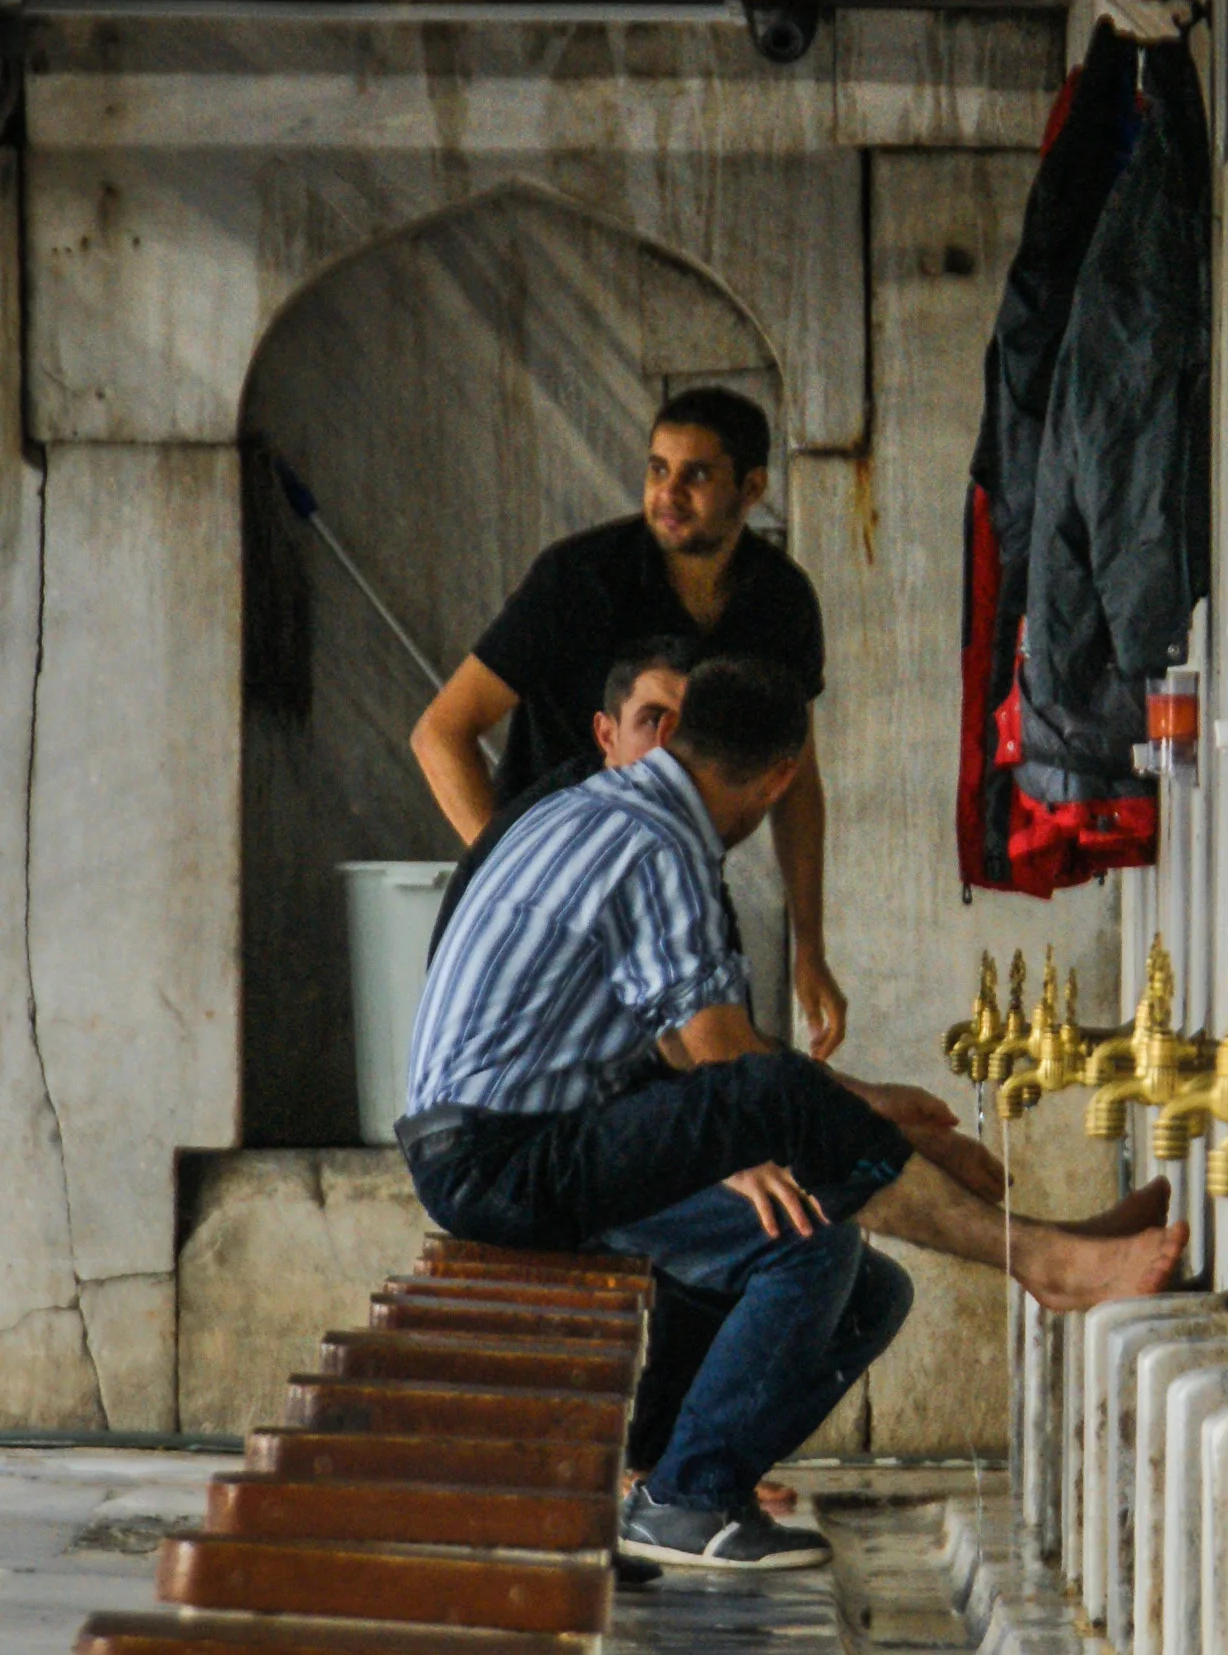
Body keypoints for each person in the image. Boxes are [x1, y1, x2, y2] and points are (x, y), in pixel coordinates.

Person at [398, 654, 1185, 1575]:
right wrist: (885, 1130)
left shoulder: (597, 807)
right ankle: (1039, 1262)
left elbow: (694, 1057)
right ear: (779, 780)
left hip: (523, 1141)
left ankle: (676, 1475)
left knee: (865, 1291)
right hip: (504, 1158)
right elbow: (726, 1063)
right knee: (807, 1241)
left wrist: (877, 1114)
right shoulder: (657, 846)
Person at [408, 384, 847, 1056]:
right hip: (548, 916)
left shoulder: (780, 601)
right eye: (657, 468)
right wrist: (522, 877)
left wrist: (810, 947)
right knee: (561, 1115)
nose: (668, 493)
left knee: (728, 1107)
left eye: (696, 474)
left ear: (752, 487)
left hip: (681, 891)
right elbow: (440, 733)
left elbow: (796, 781)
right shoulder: (578, 578)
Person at [428, 636, 692, 962]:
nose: (672, 746)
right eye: (653, 722)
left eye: (691, 727)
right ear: (607, 735)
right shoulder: (587, 825)